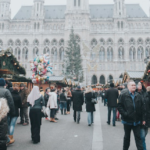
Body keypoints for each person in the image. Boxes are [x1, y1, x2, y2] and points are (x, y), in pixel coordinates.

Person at [118, 80, 145, 150]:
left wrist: (143, 119)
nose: (134, 86)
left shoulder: (138, 95)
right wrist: (125, 114)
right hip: (127, 121)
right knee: (127, 138)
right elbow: (119, 106)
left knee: (138, 138)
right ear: (128, 86)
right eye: (132, 85)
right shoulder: (123, 95)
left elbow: (142, 108)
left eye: (134, 85)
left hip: (137, 121)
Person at [0, 78, 15, 146]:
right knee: (3, 128)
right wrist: (12, 111)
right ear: (4, 84)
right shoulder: (6, 91)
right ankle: (4, 143)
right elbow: (10, 102)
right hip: (3, 112)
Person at [137, 82, 150, 150]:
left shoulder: (146, 93)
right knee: (142, 138)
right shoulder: (135, 94)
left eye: (140, 84)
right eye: (138, 84)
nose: (139, 85)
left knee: (144, 135)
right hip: (140, 119)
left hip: (147, 118)